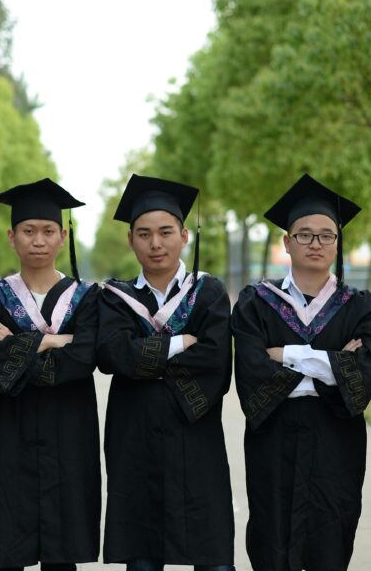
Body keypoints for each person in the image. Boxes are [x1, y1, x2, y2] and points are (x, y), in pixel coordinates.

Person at [232, 174, 371, 571]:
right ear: (287, 242)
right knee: (271, 536)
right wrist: (332, 362)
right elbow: (251, 370)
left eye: (326, 235)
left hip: (337, 441)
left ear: (337, 242)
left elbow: (362, 375)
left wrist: (284, 354)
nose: (316, 243)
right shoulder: (255, 303)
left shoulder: (360, 306)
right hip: (273, 438)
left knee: (331, 537)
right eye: (304, 235)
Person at [96, 174, 235, 571]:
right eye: (144, 234)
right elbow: (113, 356)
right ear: (130, 240)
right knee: (142, 555)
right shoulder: (116, 297)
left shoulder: (208, 292)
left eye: (165, 232)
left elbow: (214, 361)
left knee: (211, 554)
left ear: (184, 236)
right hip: (134, 438)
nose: (155, 243)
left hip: (195, 435)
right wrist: (180, 344)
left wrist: (144, 358)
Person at [0, 178, 101, 571]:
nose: (39, 241)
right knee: (7, 548)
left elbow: (84, 358)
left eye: (48, 231)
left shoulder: (87, 298)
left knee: (62, 554)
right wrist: (53, 341)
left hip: (69, 433)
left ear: (63, 236)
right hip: (8, 435)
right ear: (12, 237)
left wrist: (15, 343)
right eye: (28, 231)